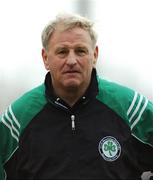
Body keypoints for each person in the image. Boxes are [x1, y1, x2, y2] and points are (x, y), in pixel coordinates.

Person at [0, 12, 153, 180]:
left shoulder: (130, 108)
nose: (71, 60)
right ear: (45, 58)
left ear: (94, 55)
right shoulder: (17, 119)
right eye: (62, 52)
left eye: (80, 51)